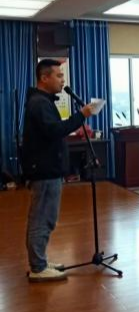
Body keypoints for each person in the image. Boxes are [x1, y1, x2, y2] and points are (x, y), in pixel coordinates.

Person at [23, 59, 94, 283]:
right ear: (44, 78)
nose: (63, 80)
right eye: (59, 76)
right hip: (44, 170)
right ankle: (38, 267)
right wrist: (81, 115)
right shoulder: (39, 103)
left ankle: (40, 261)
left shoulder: (43, 101)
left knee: (44, 218)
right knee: (42, 219)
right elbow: (55, 130)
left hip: (47, 169)